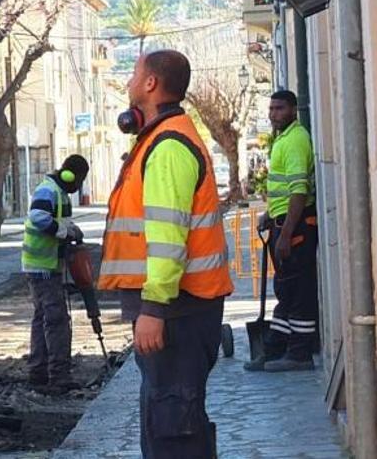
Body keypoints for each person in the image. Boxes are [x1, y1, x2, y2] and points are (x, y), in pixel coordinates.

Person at [98, 50, 234, 458]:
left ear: (151, 84)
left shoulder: (168, 146)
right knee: (169, 424)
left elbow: (167, 240)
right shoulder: (162, 139)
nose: (128, 84)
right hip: (182, 310)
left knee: (175, 431)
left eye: (134, 75)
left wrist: (153, 309)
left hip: (177, 311)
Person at [245, 90, 319, 372]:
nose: (273, 113)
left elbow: (299, 192)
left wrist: (287, 234)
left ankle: (299, 352)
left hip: (296, 225)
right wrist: (269, 214)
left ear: (293, 110)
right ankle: (278, 347)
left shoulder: (297, 140)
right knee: (286, 289)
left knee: (297, 290)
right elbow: (284, 190)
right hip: (282, 222)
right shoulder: (282, 140)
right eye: (271, 108)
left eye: (279, 108)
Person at [22, 155, 90, 392]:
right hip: (42, 267)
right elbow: (38, 217)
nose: (79, 185)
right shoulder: (49, 191)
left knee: (42, 319)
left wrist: (72, 229)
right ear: (70, 175)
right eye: (79, 179)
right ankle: (58, 376)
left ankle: (38, 371)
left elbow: (60, 221)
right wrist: (65, 233)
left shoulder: (57, 192)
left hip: (45, 267)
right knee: (56, 321)